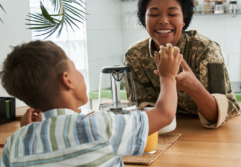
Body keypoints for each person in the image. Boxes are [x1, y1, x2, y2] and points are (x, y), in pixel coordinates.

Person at [0, 40, 182, 167]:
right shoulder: (99, 126)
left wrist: (26, 132)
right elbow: (165, 114)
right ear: (67, 80)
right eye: (75, 68)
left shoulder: (15, 144)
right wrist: (168, 76)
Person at [124, 0, 241, 129]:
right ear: (144, 18)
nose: (163, 20)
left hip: (223, 131)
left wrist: (193, 87)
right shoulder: (135, 56)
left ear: (184, 18)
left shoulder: (205, 49)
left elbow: (222, 113)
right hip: (171, 132)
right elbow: (142, 111)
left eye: (172, 14)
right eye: (154, 14)